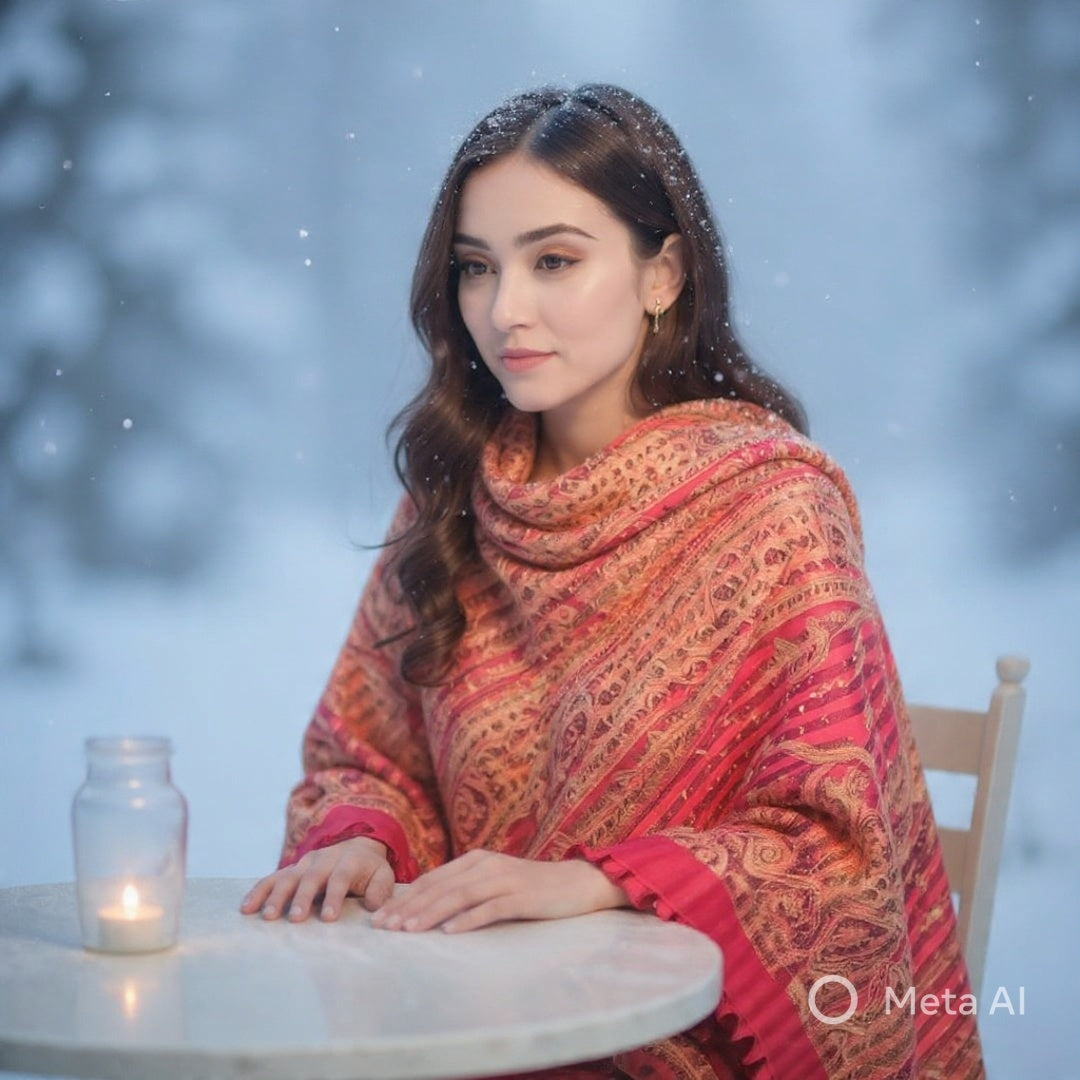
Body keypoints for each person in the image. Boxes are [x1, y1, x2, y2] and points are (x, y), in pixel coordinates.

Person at [241, 85, 984, 1079]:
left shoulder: (769, 511)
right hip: (461, 1025)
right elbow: (366, 757)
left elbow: (831, 856)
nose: (504, 311)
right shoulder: (454, 501)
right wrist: (362, 838)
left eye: (554, 261)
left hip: (678, 1040)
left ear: (662, 274)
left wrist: (595, 883)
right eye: (476, 268)